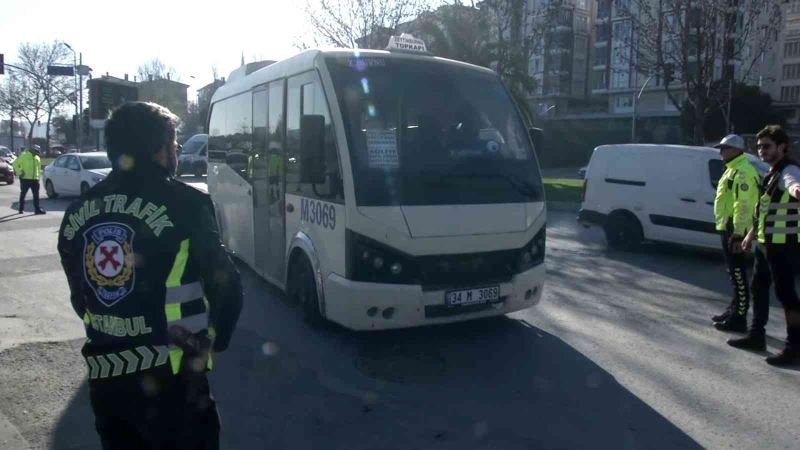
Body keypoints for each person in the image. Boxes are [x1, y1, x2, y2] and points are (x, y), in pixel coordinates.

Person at [57, 101, 243, 448]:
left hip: (106, 383)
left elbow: (80, 296)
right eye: (174, 145)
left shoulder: (78, 211)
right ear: (160, 149)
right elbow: (227, 286)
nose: (176, 153)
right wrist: (215, 340)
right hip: (174, 379)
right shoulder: (185, 203)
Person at [730, 125, 800, 367]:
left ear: (782, 147)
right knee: (758, 288)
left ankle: (794, 348)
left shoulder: (788, 171)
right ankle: (756, 335)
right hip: (765, 245)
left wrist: (797, 189)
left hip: (783, 246)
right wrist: (750, 236)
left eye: (767, 146)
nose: (761, 150)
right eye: (759, 146)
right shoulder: (770, 174)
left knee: (786, 295)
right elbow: (765, 212)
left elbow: (793, 185)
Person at [711, 134, 760, 332]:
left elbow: (744, 205)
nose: (721, 152)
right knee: (733, 272)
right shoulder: (732, 169)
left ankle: (739, 317)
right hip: (728, 227)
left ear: (736, 150)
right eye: (720, 148)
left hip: (735, 229)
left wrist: (738, 233)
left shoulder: (742, 172)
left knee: (738, 273)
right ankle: (734, 309)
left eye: (725, 148)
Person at [12, 144, 45, 214]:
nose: (37, 153)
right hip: (25, 179)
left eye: (38, 151)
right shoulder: (24, 156)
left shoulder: (37, 158)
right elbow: (15, 163)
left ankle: (37, 209)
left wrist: (38, 178)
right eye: (36, 151)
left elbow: (38, 169)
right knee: (23, 194)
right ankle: (21, 209)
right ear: (32, 150)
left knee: (36, 195)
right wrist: (19, 172)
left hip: (35, 179)